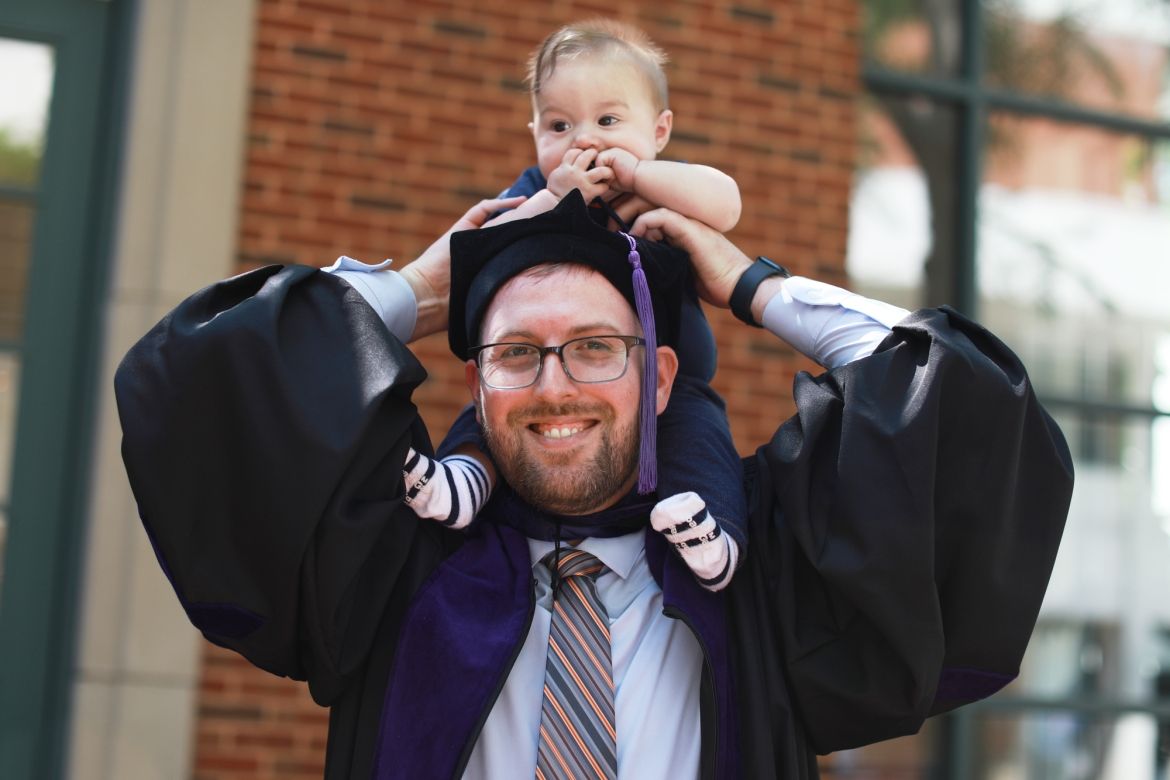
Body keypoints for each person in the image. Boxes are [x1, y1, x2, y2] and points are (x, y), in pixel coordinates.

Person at [115, 191, 1073, 779]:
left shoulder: (762, 571)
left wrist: (756, 287)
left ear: (658, 379)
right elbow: (196, 380)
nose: (556, 384)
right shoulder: (392, 554)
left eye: (595, 348)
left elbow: (965, 403)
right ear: (477, 384)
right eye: (518, 352)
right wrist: (417, 284)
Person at [402, 19, 749, 591]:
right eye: (560, 124)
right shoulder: (539, 186)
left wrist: (640, 174)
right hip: (542, 360)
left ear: (659, 129)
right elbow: (490, 239)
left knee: (701, 437)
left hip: (674, 375)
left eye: (609, 120)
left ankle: (718, 541)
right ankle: (465, 480)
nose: (584, 139)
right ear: (534, 129)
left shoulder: (660, 183)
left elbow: (726, 204)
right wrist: (552, 198)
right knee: (495, 402)